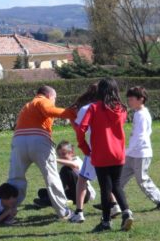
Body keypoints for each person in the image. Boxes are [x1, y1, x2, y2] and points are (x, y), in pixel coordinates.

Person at [7, 85, 77, 220]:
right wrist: (72, 113)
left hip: (18, 141)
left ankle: (7, 213)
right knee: (51, 177)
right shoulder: (42, 100)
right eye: (55, 99)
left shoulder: (28, 106)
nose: (54, 102)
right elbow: (49, 109)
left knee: (15, 179)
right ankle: (64, 212)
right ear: (50, 96)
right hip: (39, 141)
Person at [76, 78, 134, 231]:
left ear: (100, 91)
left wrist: (83, 146)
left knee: (105, 188)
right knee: (116, 185)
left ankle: (106, 222)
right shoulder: (122, 109)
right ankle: (126, 212)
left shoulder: (94, 108)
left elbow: (81, 128)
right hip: (118, 152)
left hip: (101, 153)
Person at [70, 84, 121, 223]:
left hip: (94, 150)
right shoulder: (111, 107)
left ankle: (79, 212)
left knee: (82, 180)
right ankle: (116, 206)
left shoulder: (87, 109)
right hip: (111, 149)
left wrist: (70, 119)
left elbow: (80, 130)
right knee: (106, 180)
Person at [120, 86, 160, 210]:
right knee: (119, 178)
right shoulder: (139, 113)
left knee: (142, 180)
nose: (129, 102)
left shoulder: (142, 115)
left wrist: (127, 150)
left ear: (141, 99)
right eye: (128, 99)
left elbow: (141, 136)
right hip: (134, 153)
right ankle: (111, 202)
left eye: (131, 99)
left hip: (141, 153)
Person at [33, 141, 95, 208]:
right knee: (42, 192)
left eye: (64, 154)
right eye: (59, 155)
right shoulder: (65, 166)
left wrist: (54, 159)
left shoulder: (77, 160)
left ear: (72, 152)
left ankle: (51, 200)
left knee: (66, 170)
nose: (61, 157)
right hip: (73, 193)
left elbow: (74, 165)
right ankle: (56, 200)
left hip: (85, 195)